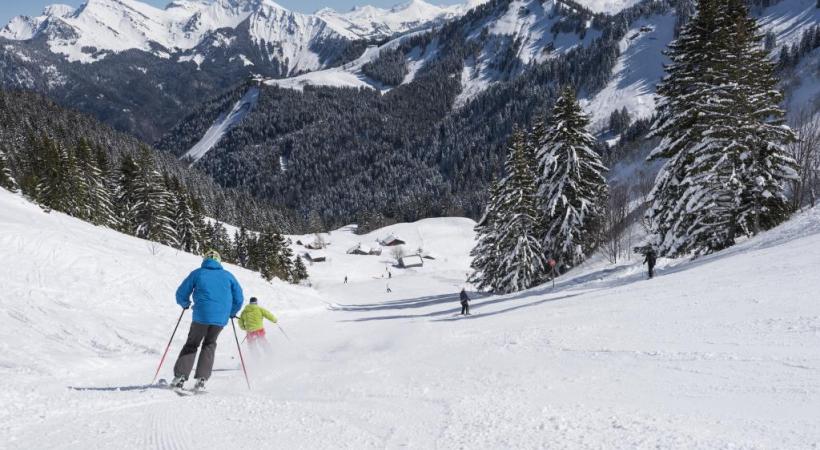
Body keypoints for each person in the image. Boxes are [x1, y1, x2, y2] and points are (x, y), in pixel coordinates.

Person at [170, 249, 244, 392]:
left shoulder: (198, 273)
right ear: (219, 261)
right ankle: (201, 380)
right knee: (209, 344)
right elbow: (239, 298)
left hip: (201, 316)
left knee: (192, 344)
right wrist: (231, 312)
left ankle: (180, 377)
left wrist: (185, 303)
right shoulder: (228, 276)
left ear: (205, 260)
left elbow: (181, 292)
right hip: (220, 319)